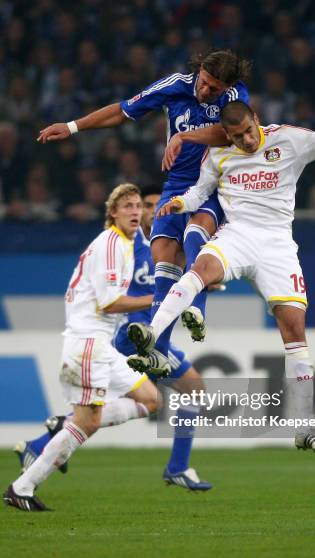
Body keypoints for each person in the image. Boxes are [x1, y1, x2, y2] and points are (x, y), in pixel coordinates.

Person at [126, 101, 315, 453]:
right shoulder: (219, 155)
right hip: (238, 235)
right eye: (237, 135)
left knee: (294, 331)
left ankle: (305, 427)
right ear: (226, 134)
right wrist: (181, 203)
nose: (245, 140)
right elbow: (200, 191)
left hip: (277, 246)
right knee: (199, 270)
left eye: (248, 131)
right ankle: (152, 333)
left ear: (256, 120)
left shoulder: (289, 139)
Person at [37, 50, 251, 374]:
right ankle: (159, 351)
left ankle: (197, 307)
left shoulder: (236, 95)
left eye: (215, 89)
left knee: (195, 233)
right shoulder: (175, 86)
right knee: (164, 257)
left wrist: (184, 135)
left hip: (217, 182)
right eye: (206, 83)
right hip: (178, 182)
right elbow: (123, 111)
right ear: (199, 71)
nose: (207, 92)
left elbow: (233, 132)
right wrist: (72, 126)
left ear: (228, 87)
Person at [12, 186, 213, 492]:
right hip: (132, 335)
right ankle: (178, 467)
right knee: (190, 390)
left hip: (143, 334)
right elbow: (112, 296)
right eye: (143, 205)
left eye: (158, 205)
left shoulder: (166, 247)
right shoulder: (130, 247)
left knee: (138, 400)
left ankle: (49, 435)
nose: (150, 211)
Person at [4, 184, 162, 512]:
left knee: (150, 399)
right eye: (127, 206)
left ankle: (64, 425)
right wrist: (161, 298)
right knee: (87, 423)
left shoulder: (127, 245)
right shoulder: (111, 245)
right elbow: (109, 303)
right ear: (112, 213)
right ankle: (23, 487)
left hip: (100, 346)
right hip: (88, 345)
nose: (135, 211)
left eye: (138, 206)